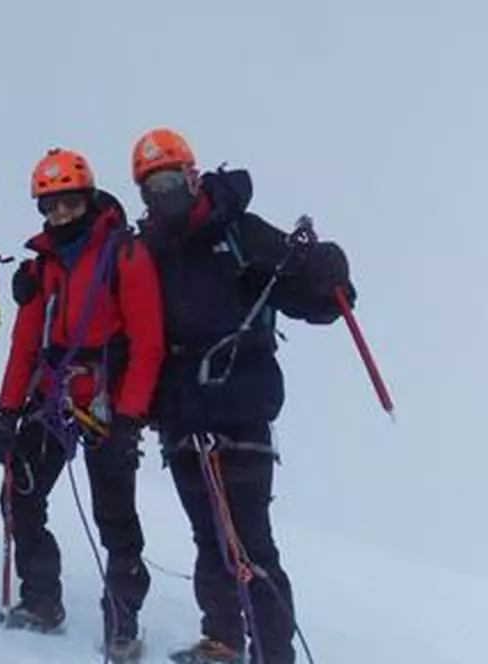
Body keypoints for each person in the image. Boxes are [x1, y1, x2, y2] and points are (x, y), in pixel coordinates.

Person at [128, 128, 356, 664]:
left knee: (250, 542)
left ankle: (273, 652)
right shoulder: (149, 251)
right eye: (150, 188)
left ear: (191, 175)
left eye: (168, 181)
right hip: (182, 414)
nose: (163, 197)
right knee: (209, 539)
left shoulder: (239, 233)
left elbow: (308, 296)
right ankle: (224, 640)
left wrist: (329, 275)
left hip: (239, 407)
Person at [0, 148, 165, 660]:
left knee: (116, 518)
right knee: (19, 493)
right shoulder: (43, 266)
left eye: (66, 203)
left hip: (109, 404)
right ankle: (42, 601)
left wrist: (130, 418)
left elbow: (148, 342)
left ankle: (122, 622)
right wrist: (7, 412)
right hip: (55, 398)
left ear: (86, 198)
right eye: (48, 206)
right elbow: (24, 344)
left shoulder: (125, 255)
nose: (58, 215)